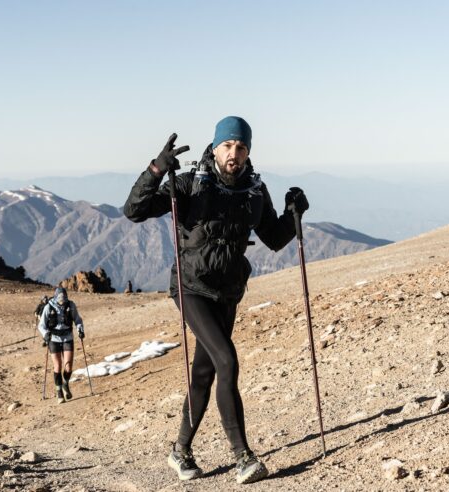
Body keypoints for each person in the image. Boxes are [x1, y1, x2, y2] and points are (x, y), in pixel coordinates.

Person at [123, 116, 309, 484]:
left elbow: (272, 237)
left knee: (204, 373)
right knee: (227, 359)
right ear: (215, 146)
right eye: (228, 146)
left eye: (241, 147)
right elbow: (134, 211)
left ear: (248, 151)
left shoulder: (255, 192)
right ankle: (242, 456)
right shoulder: (191, 184)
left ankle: (180, 451)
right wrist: (156, 169)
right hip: (191, 288)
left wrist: (294, 214)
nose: (234, 154)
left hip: (227, 292)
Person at [37, 287, 85, 403]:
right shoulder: (49, 307)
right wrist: (45, 335)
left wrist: (80, 329)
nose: (62, 301)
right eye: (60, 298)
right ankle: (59, 393)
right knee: (57, 366)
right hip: (54, 339)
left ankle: (65, 384)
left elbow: (77, 320)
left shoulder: (71, 305)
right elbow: (41, 325)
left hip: (68, 337)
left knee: (68, 366)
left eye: (64, 298)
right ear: (55, 297)